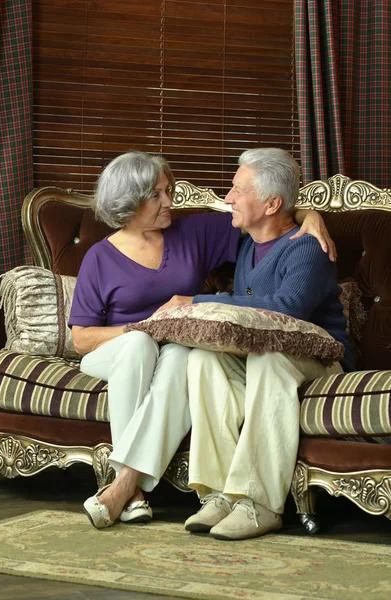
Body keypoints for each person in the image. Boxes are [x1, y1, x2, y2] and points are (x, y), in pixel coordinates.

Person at [68, 149, 337, 530]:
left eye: (168, 190)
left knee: (186, 355)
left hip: (197, 346)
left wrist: (311, 216)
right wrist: (141, 328)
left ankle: (130, 482)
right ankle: (172, 492)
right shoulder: (100, 256)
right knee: (154, 348)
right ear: (131, 203)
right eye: (157, 194)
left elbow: (273, 222)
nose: (170, 200)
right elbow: (81, 339)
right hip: (119, 348)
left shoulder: (198, 233)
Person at [157, 148, 355, 541]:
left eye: (236, 189)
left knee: (269, 360)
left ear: (271, 203)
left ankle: (259, 503)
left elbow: (289, 308)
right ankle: (217, 495)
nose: (227, 197)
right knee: (203, 360)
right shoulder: (245, 240)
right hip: (258, 352)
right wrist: (307, 211)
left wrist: (198, 301)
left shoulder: (306, 248)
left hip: (318, 358)